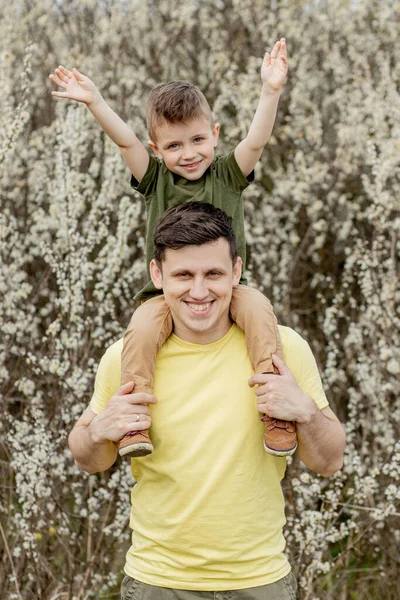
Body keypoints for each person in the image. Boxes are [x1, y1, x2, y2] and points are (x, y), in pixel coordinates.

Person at [69, 202, 346, 600]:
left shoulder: (285, 350)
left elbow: (329, 461)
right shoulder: (126, 358)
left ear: (236, 271)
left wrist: (304, 411)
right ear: (157, 274)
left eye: (213, 274)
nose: (199, 291)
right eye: (183, 275)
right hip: (157, 582)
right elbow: (88, 460)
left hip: (260, 580)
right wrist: (98, 431)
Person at [49, 40, 296, 459]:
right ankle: (134, 422)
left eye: (198, 140)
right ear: (157, 150)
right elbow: (126, 141)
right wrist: (96, 103)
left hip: (229, 289)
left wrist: (270, 91)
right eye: (174, 146)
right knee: (142, 331)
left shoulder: (228, 174)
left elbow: (256, 141)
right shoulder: (156, 180)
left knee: (259, 313)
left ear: (214, 135)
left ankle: (275, 409)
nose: (188, 154)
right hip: (167, 295)